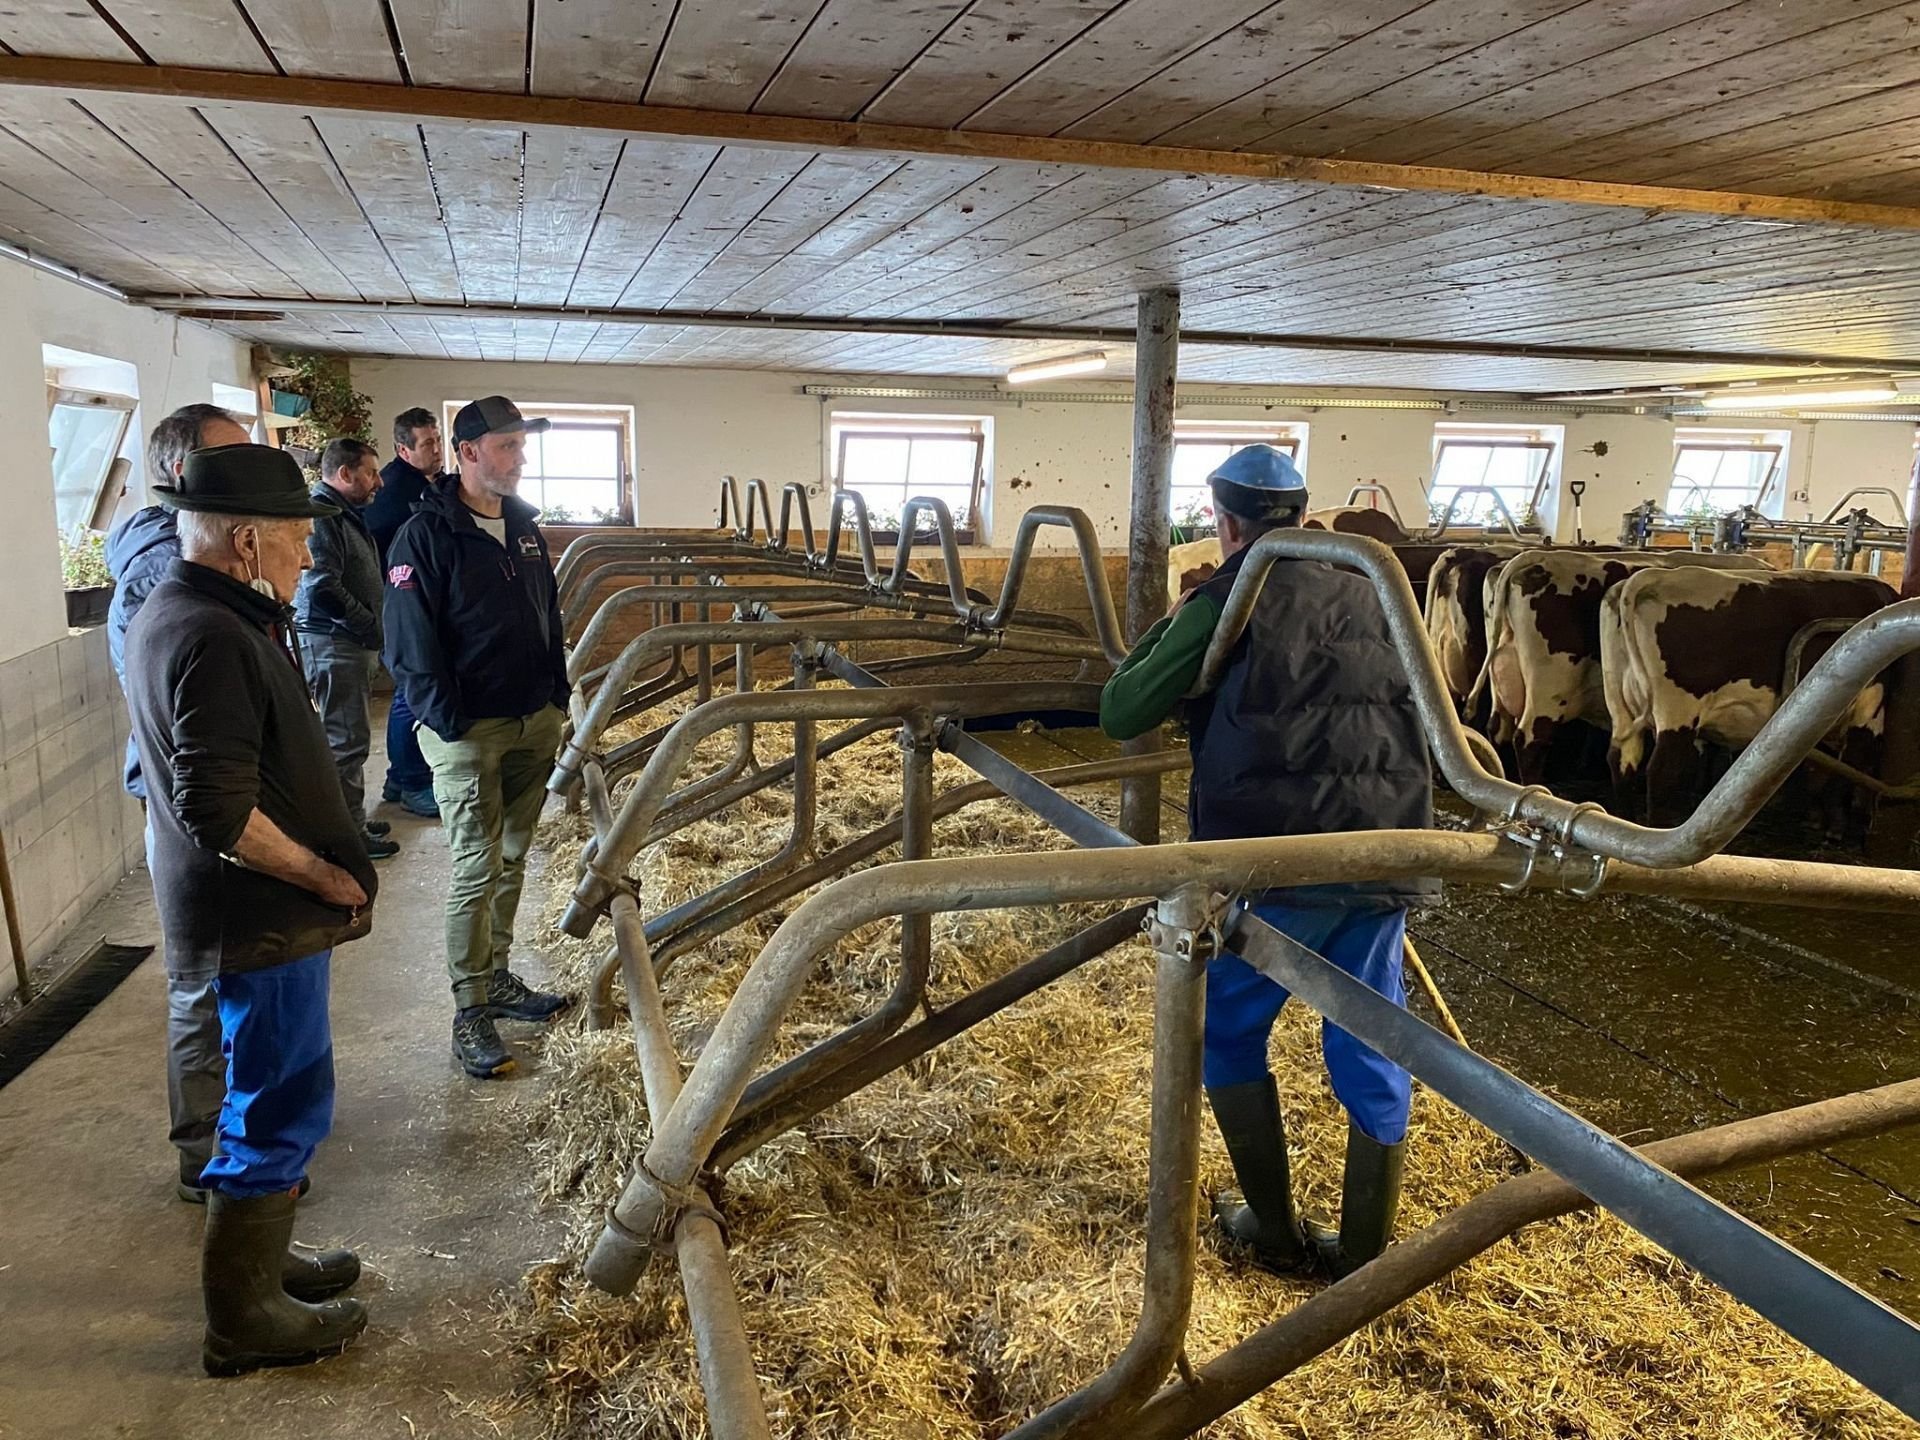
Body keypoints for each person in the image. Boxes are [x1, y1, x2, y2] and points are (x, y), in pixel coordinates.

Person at [1099, 444, 1433, 1278]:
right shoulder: (1374, 586)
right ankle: (1362, 1254)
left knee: (1228, 1030)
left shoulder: (1228, 594)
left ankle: (1273, 1228)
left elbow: (1121, 709)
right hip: (1383, 845)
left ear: (1225, 520)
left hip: (1272, 855)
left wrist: (1170, 628)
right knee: (1370, 1033)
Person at [124, 443, 379, 1375]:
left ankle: (267, 1264)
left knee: (273, 1092)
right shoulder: (214, 634)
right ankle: (243, 1318)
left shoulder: (194, 607)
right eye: (294, 541)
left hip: (245, 913)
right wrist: (322, 874)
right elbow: (218, 807)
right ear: (243, 540)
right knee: (275, 1098)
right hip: (257, 915)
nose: (307, 558)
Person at [105, 402, 279, 1207]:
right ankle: (204, 1150)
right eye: (230, 463)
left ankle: (235, 1136)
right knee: (203, 974)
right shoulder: (168, 574)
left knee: (228, 969)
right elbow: (195, 704)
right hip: (192, 799)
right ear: (185, 477)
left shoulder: (197, 569)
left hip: (205, 784)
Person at [385, 396, 573, 1079]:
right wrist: (445, 719)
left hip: (532, 720)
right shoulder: (425, 535)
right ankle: (469, 1008)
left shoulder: (524, 527)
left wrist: (558, 694)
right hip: (469, 730)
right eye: (506, 446)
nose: (519, 458)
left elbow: (546, 617)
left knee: (514, 855)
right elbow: (407, 643)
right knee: (475, 863)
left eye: (522, 446)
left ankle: (496, 976)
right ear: (466, 453)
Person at [295, 437, 399, 860]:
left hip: (346, 642)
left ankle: (349, 819)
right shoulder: (323, 517)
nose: (378, 482)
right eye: (371, 473)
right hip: (334, 642)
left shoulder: (343, 513)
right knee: (345, 741)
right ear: (344, 474)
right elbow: (321, 587)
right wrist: (368, 625)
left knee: (349, 738)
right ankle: (346, 838)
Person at [363, 407, 444, 820]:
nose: (437, 449)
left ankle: (399, 777)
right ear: (403, 448)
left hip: (414, 605)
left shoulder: (425, 485)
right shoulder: (396, 492)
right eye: (427, 443)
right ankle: (412, 781)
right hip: (400, 606)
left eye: (437, 440)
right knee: (412, 693)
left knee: (409, 692)